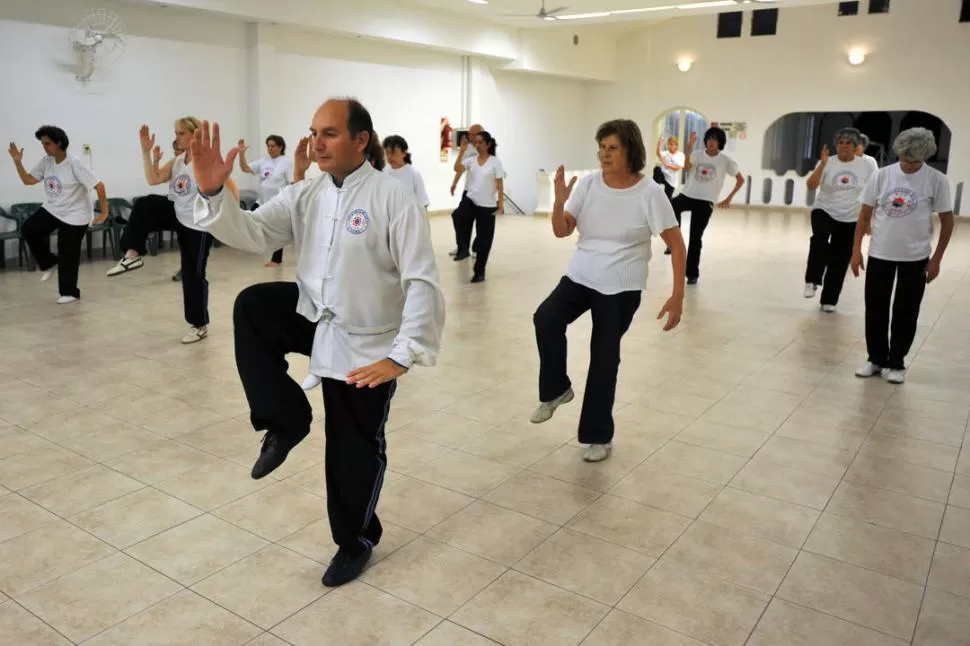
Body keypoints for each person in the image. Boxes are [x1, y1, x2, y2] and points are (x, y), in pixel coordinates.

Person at [188, 98, 444, 587]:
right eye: (313, 133)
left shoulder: (394, 199)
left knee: (352, 448)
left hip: (369, 341)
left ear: (360, 139)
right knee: (254, 305)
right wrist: (214, 190)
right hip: (318, 317)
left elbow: (422, 282)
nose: (316, 144)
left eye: (328, 133)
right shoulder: (309, 192)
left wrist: (401, 355)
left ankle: (355, 541)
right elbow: (256, 232)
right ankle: (285, 421)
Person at [531, 119, 686, 463]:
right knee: (546, 318)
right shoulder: (588, 185)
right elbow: (562, 231)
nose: (604, 153)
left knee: (604, 357)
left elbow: (676, 245)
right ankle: (556, 390)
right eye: (601, 146)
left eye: (612, 147)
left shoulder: (650, 194)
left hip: (621, 286)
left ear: (630, 150)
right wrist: (559, 202)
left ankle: (597, 435)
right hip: (581, 274)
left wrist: (678, 295)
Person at [105, 119, 238, 344]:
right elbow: (153, 178)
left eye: (181, 133)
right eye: (176, 133)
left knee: (192, 275)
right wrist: (146, 153)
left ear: (194, 135)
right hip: (178, 214)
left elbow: (231, 190)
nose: (177, 137)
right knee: (146, 203)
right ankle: (132, 254)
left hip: (199, 224)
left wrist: (228, 219)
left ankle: (199, 325)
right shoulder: (177, 161)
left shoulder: (205, 160)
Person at [851, 127, 954, 384]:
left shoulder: (936, 179)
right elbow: (864, 215)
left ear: (925, 157)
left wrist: (937, 259)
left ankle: (896, 362)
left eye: (914, 161)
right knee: (875, 308)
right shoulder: (882, 176)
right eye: (904, 159)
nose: (907, 165)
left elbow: (948, 221)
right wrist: (856, 251)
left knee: (906, 311)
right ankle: (875, 358)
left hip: (916, 256)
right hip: (880, 253)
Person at [8, 126, 108, 304]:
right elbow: (28, 180)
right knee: (29, 229)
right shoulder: (47, 161)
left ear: (59, 143)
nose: (44, 147)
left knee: (68, 252)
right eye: (42, 144)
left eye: (47, 144)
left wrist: (104, 213)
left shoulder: (75, 164)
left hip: (76, 215)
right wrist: (17, 162)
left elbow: (99, 186)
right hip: (54, 209)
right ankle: (49, 262)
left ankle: (69, 292)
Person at [803, 127, 874, 311]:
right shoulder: (828, 162)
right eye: (840, 142)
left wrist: (868, 221)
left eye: (848, 143)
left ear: (856, 146)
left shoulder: (867, 164)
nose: (844, 146)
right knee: (819, 240)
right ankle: (812, 280)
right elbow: (811, 186)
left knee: (840, 257)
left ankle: (829, 299)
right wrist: (822, 164)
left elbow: (874, 193)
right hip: (824, 209)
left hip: (851, 216)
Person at [669, 127, 744, 284]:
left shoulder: (725, 161)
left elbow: (740, 179)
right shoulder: (697, 155)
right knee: (671, 205)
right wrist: (689, 146)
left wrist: (728, 199)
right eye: (709, 138)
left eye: (715, 139)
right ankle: (674, 240)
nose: (711, 142)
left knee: (695, 239)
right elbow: (687, 167)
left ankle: (692, 274)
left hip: (705, 202)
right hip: (688, 195)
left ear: (720, 143)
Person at [452, 131, 505, 283]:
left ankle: (479, 271)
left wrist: (500, 205)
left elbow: (500, 184)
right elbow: (457, 169)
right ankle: (463, 249)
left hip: (487, 206)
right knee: (457, 216)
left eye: (481, 142)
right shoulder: (471, 160)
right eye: (476, 142)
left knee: (484, 241)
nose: (477, 145)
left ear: (488, 144)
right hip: (471, 200)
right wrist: (462, 150)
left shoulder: (495, 162)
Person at [238, 135, 293, 267]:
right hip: (262, 201)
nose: (270, 148)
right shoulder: (263, 161)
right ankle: (254, 246)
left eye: (273, 146)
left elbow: (291, 182)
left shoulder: (286, 162)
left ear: (280, 147)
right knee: (247, 221)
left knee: (278, 230)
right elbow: (245, 168)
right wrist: (241, 154)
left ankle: (276, 260)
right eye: (268, 146)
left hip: (277, 203)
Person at [449, 124, 483, 258]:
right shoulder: (467, 148)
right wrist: (454, 183)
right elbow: (460, 168)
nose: (471, 137)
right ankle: (462, 247)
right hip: (469, 191)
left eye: (473, 134)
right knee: (459, 217)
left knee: (481, 222)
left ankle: (477, 248)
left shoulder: (488, 148)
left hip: (482, 193)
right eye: (469, 134)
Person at [654, 134, 685, 255]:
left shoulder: (680, 155)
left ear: (676, 145)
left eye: (673, 144)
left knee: (668, 208)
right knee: (657, 169)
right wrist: (659, 144)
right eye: (669, 144)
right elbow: (658, 153)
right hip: (663, 178)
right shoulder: (666, 153)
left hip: (671, 183)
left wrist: (667, 165)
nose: (671, 146)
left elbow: (678, 168)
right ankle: (655, 188)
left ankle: (670, 245)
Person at [382, 135, 430, 210]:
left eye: (394, 152)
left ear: (404, 153)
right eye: (387, 152)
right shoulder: (383, 173)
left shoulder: (414, 174)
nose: (390, 156)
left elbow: (423, 202)